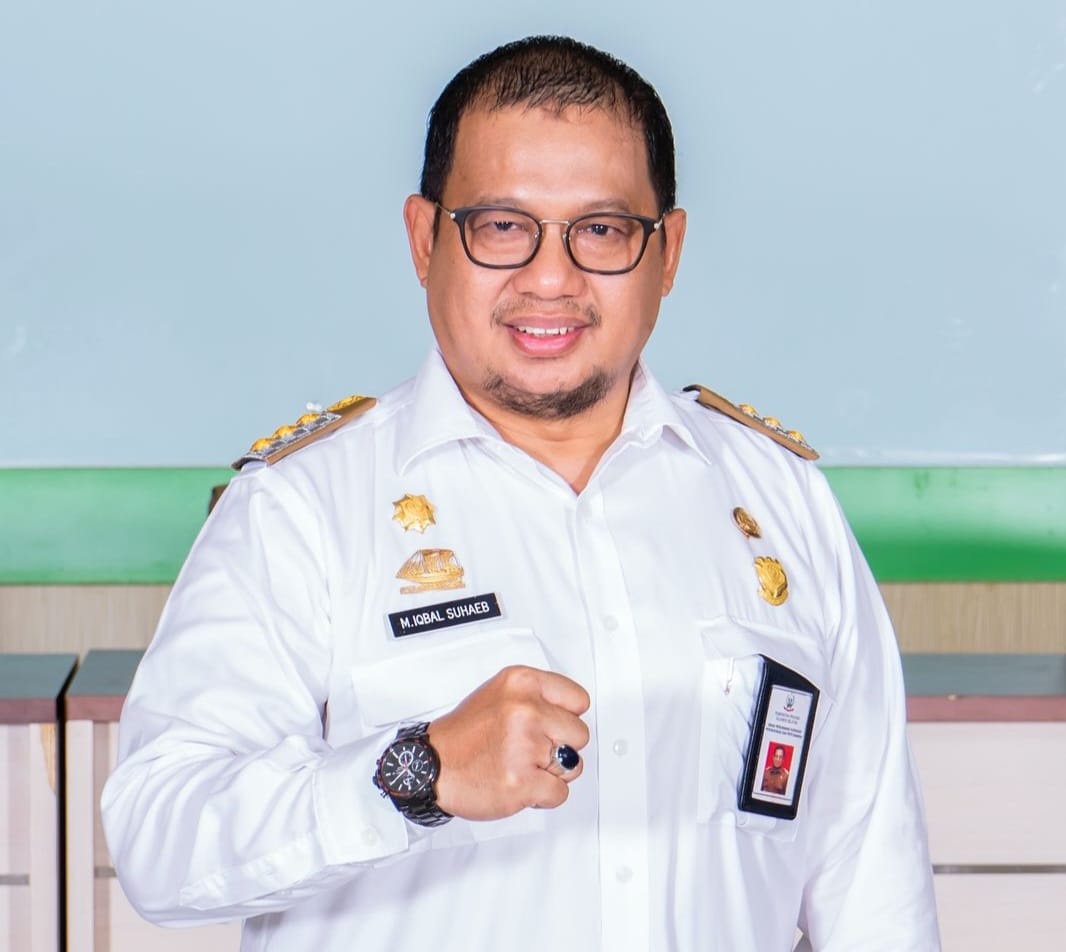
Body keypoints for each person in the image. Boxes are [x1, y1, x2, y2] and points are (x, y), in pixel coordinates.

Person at [101, 35, 940, 951]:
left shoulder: (781, 502)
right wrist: (414, 774)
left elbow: (873, 886)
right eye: (503, 226)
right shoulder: (303, 509)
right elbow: (159, 839)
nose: (550, 278)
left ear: (667, 252)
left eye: (602, 230)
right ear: (426, 239)